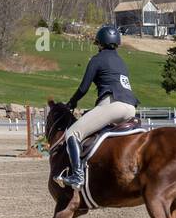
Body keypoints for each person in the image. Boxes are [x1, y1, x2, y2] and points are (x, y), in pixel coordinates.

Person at [58, 24, 139, 188]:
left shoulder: (97, 59)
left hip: (112, 105)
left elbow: (83, 88)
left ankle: (77, 176)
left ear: (100, 43)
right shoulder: (122, 62)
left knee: (72, 133)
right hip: (131, 108)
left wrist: (71, 103)